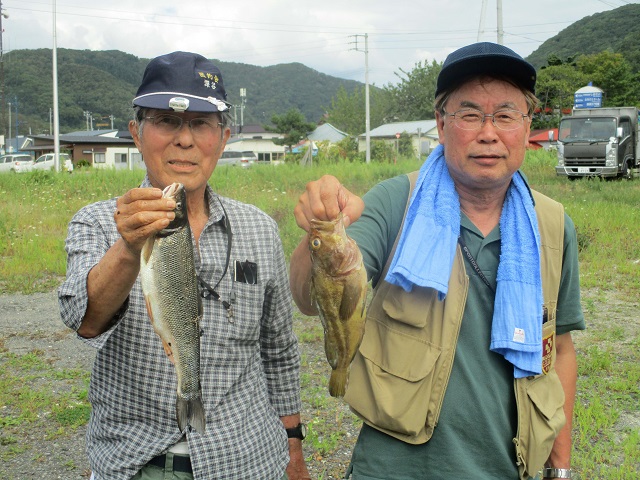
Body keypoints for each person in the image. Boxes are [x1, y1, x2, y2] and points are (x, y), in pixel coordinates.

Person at [290, 42, 585, 480]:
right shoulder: (397, 203)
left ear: (527, 129)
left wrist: (559, 469)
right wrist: (321, 226)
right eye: (469, 115)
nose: (488, 133)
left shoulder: (553, 226)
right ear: (441, 124)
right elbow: (310, 299)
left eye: (505, 115)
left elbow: (559, 350)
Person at [59, 51, 310, 480]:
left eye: (200, 124)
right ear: (137, 134)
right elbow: (84, 320)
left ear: (224, 137)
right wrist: (127, 246)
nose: (185, 140)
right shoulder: (98, 221)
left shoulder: (260, 228)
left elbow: (279, 348)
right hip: (137, 462)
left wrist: (294, 446)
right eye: (167, 121)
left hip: (247, 459)